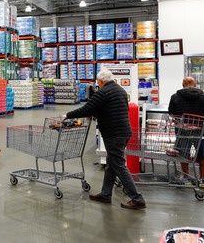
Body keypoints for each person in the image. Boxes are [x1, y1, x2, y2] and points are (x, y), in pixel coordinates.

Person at [63, 69, 147, 210]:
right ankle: (106, 194)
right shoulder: (120, 90)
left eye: (98, 82)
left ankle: (137, 199)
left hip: (113, 134)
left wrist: (68, 115)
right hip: (124, 131)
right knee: (111, 163)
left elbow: (87, 108)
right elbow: (111, 108)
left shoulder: (103, 92)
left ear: (101, 81)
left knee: (118, 165)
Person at [168, 77, 204, 188]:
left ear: (183, 84)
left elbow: (171, 113)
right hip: (201, 132)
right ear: (195, 84)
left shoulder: (175, 97)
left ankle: (186, 178)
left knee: (183, 154)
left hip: (182, 131)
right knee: (203, 156)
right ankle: (202, 179)